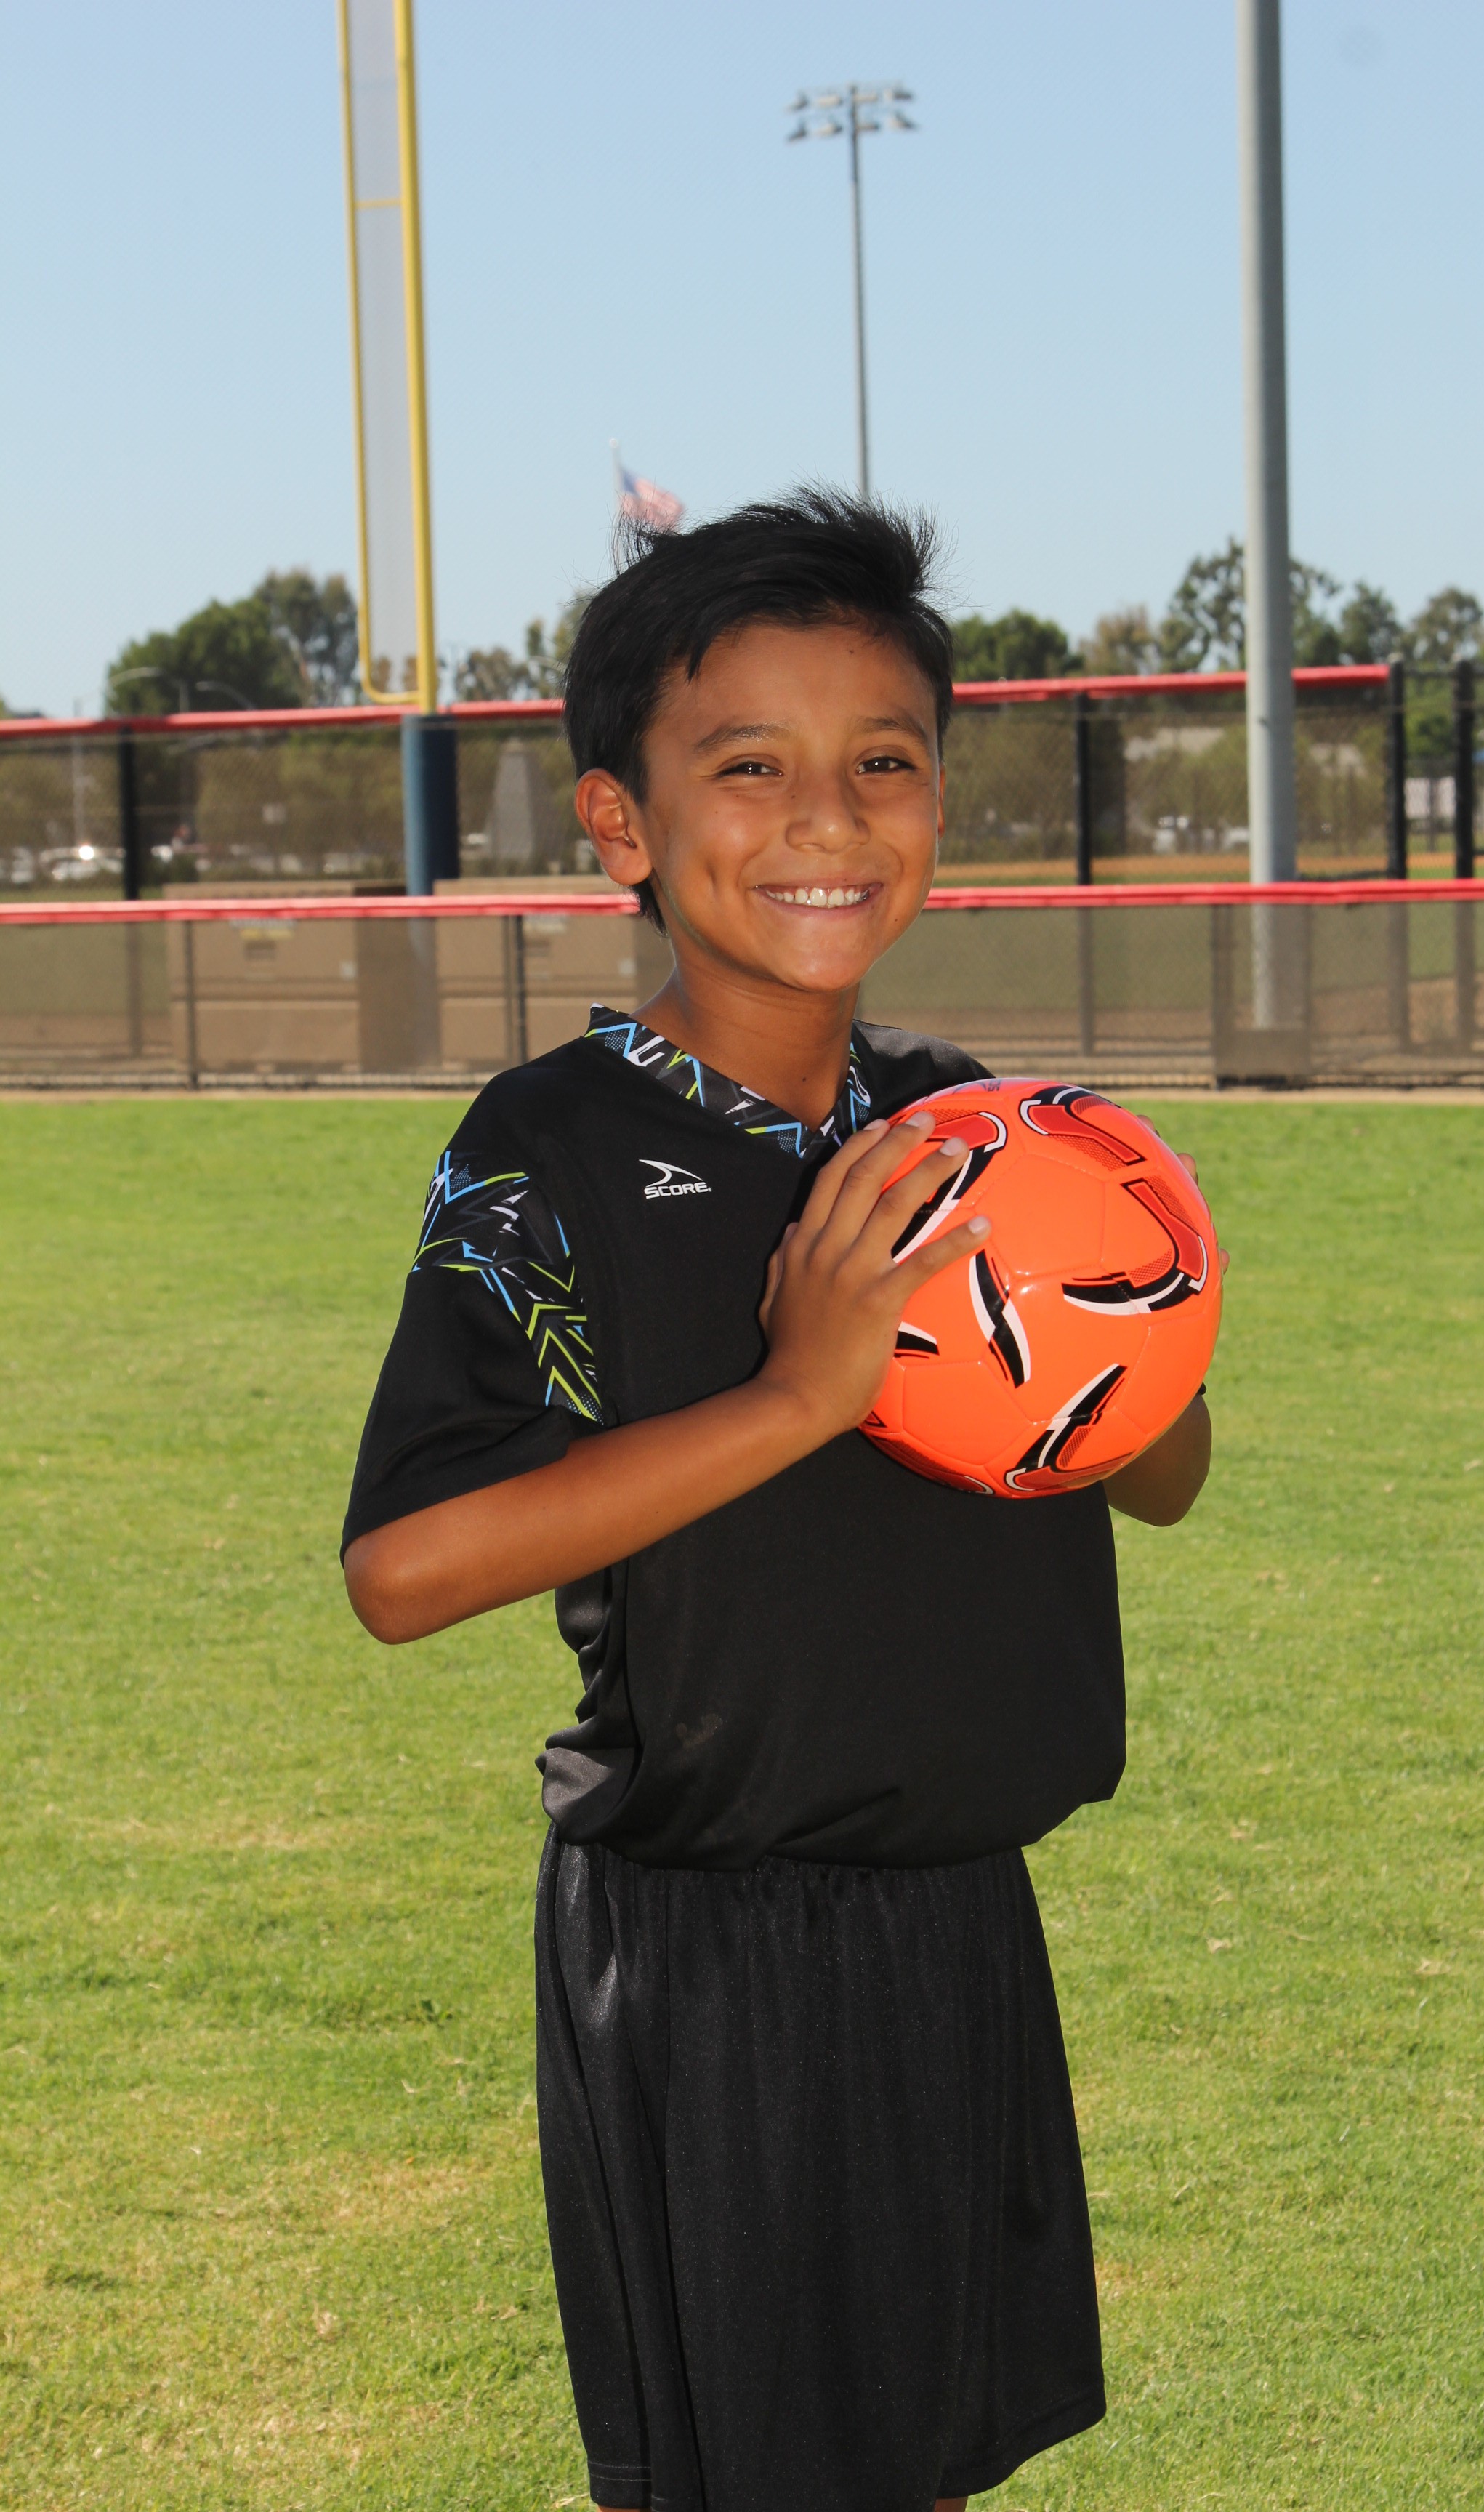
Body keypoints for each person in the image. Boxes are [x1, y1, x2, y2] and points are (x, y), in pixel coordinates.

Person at [342, 491, 1214, 2512]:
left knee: (927, 2468)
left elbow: (1157, 1476)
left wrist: (1125, 1318)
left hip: (958, 1915)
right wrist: (807, 1394)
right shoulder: (551, 1144)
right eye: (750, 768)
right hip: (715, 1952)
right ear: (623, 825)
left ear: (938, 805)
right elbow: (407, 1567)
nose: (827, 818)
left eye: (882, 763)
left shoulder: (964, 1119)